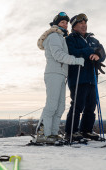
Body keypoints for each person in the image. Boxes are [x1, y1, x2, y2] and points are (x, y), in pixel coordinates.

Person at [36, 12, 85, 144]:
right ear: (56, 23)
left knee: (60, 107)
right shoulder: (53, 36)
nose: (64, 24)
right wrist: (76, 60)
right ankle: (42, 134)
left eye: (66, 23)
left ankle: (52, 133)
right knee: (51, 105)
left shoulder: (60, 37)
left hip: (61, 74)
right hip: (53, 73)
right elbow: (58, 55)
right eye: (62, 22)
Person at [64, 13, 106, 141]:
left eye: (85, 23)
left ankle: (86, 130)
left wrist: (98, 55)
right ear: (74, 26)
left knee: (91, 105)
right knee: (77, 105)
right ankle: (71, 132)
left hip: (92, 77)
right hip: (78, 77)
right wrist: (89, 51)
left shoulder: (93, 39)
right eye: (81, 23)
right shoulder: (70, 39)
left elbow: (102, 51)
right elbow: (72, 52)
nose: (84, 25)